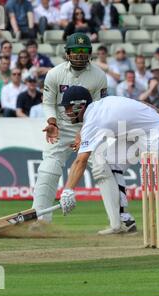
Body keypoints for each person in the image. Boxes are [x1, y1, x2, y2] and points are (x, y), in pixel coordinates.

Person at [58, 87, 159, 218]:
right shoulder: (102, 104)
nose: (65, 111)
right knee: (109, 162)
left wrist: (68, 190)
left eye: (68, 107)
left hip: (156, 132)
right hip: (136, 135)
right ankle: (124, 218)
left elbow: (81, 161)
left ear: (79, 105)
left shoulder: (92, 120)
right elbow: (139, 103)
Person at [32, 33, 117, 233]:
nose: (80, 55)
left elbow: (99, 108)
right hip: (60, 127)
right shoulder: (54, 74)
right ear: (67, 53)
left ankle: (119, 221)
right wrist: (52, 122)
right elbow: (48, 102)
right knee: (48, 170)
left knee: (102, 169)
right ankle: (40, 220)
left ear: (90, 54)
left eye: (84, 51)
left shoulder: (98, 76)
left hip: (89, 129)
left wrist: (84, 132)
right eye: (76, 51)